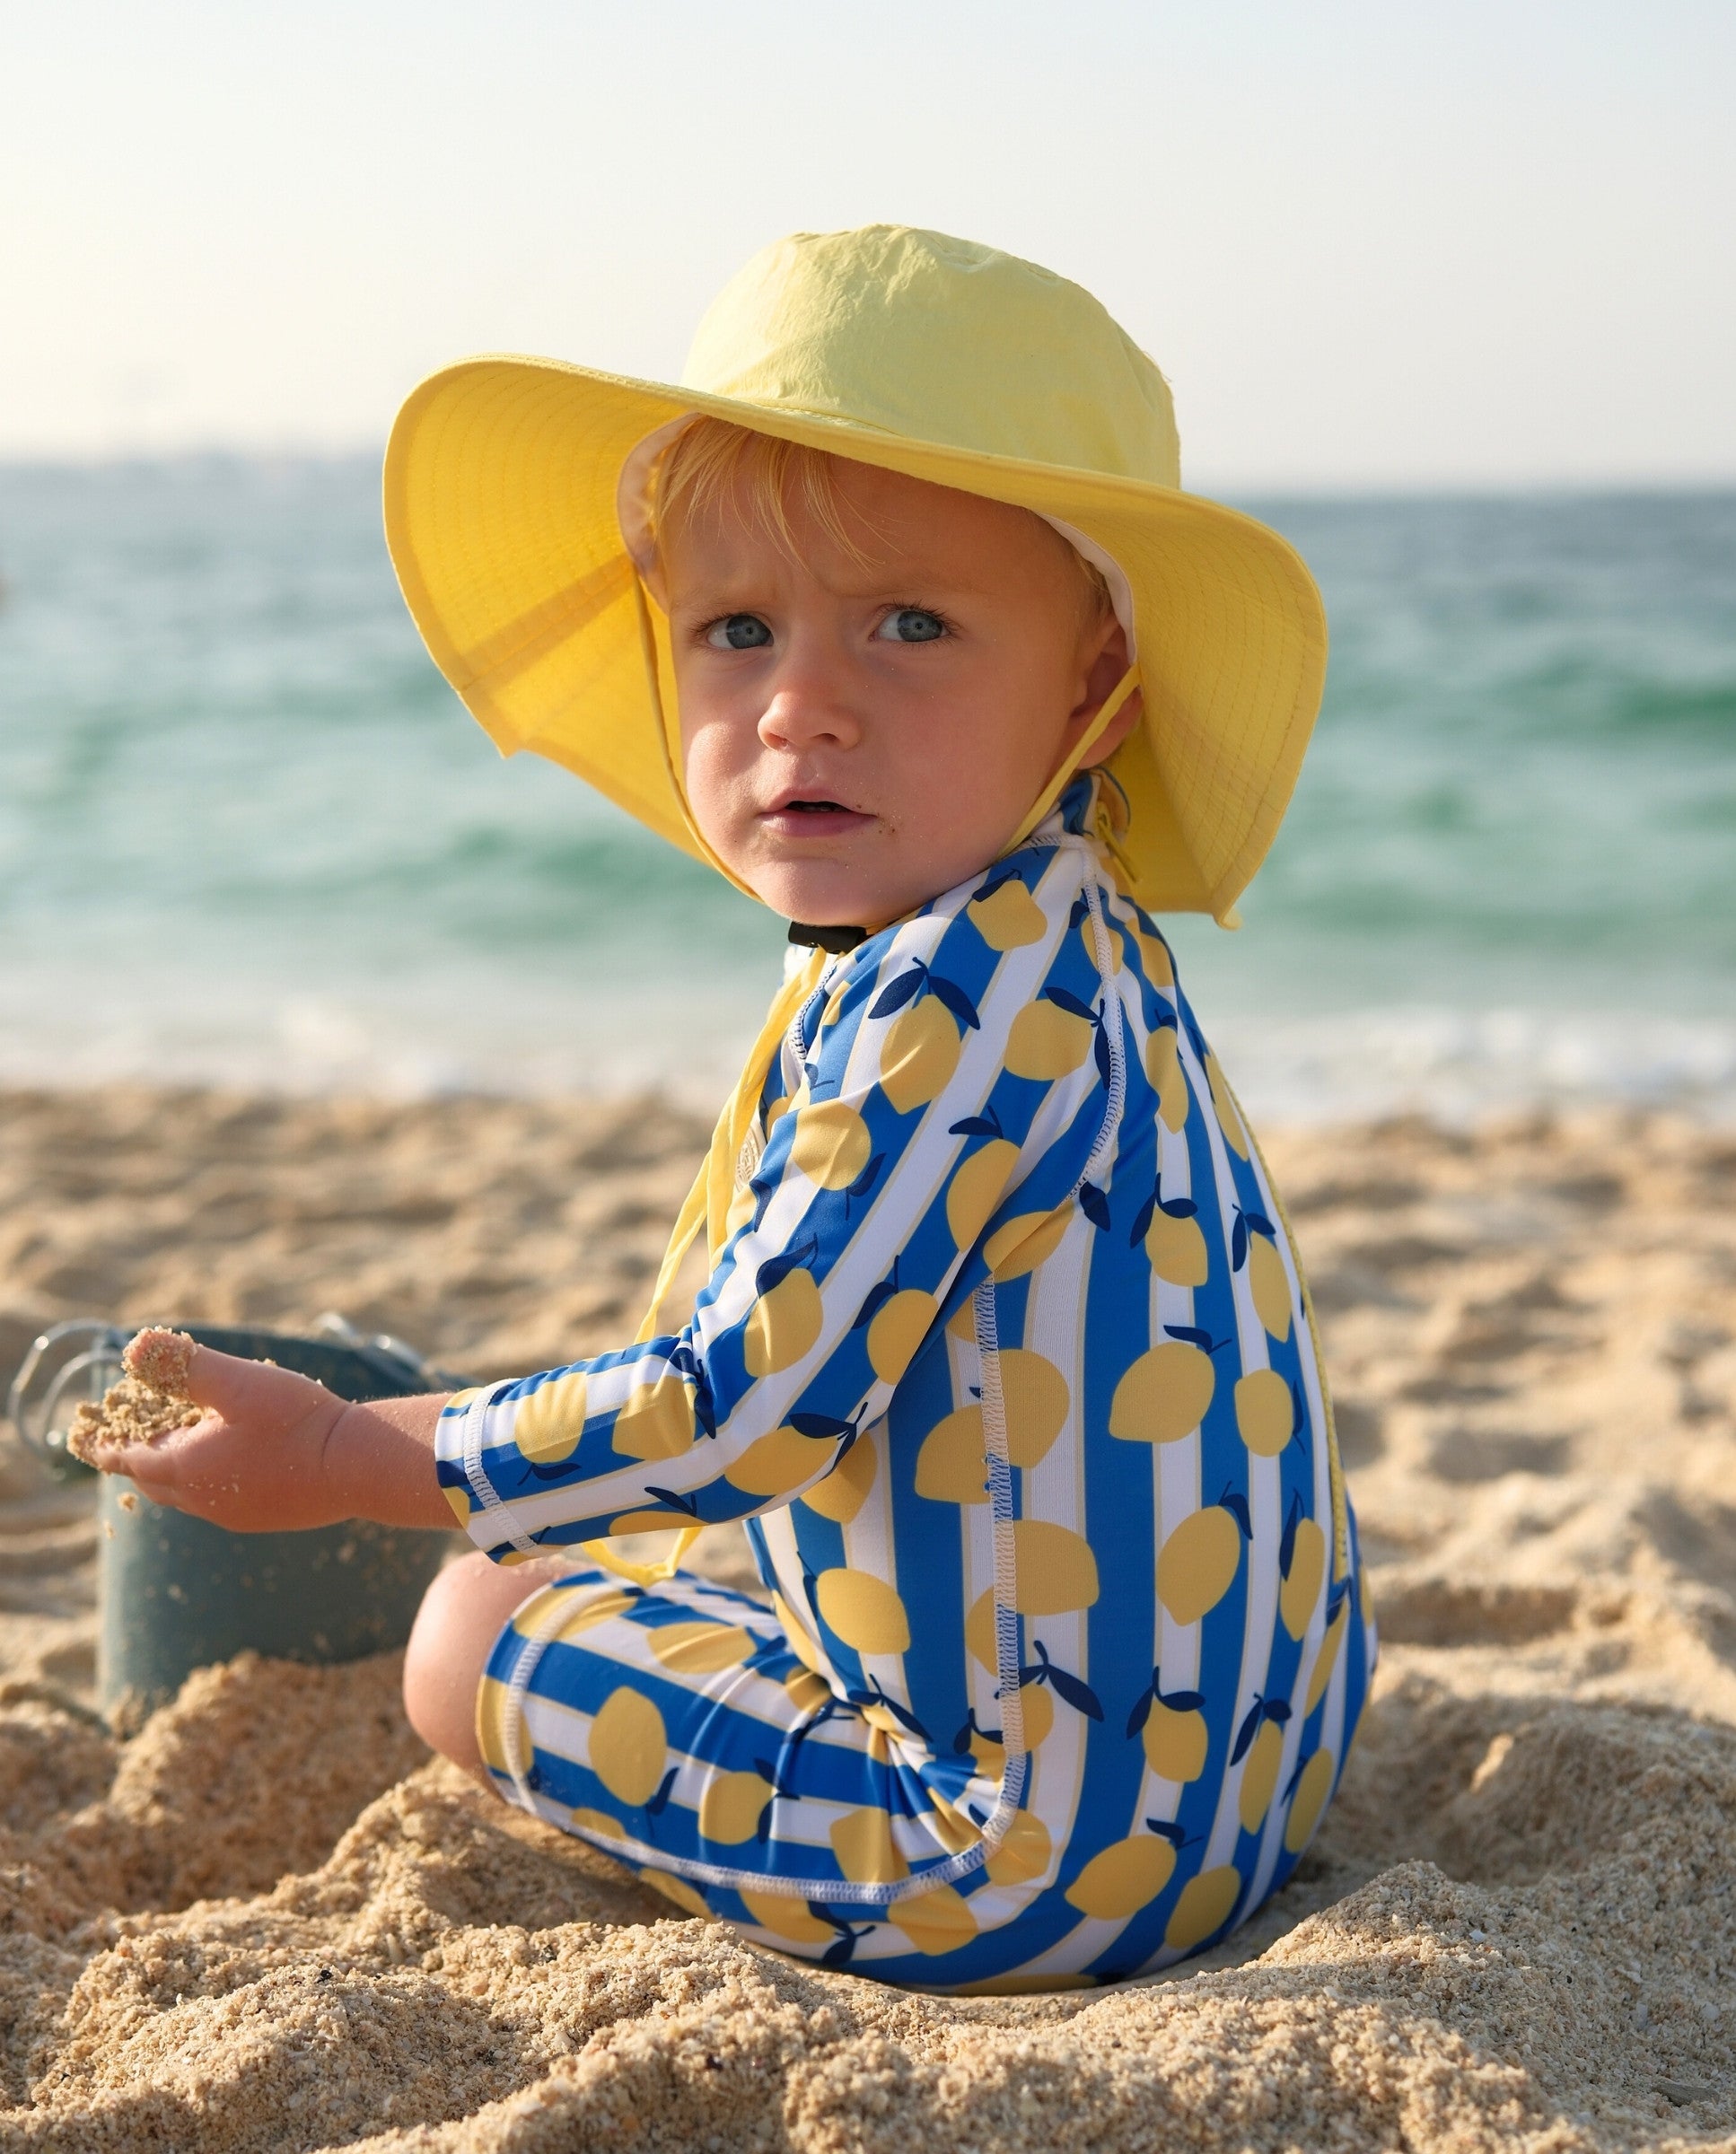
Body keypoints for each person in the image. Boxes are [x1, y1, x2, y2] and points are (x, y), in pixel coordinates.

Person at [93, 226, 1374, 1990]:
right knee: (613, 1544)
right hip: (1252, 1773)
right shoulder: (1061, 933)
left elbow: (737, 1408)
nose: (800, 709)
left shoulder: (942, 1001)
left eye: (910, 625)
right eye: (734, 631)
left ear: (1093, 691)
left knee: (466, 1631)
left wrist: (344, 1458)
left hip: (1028, 1863)